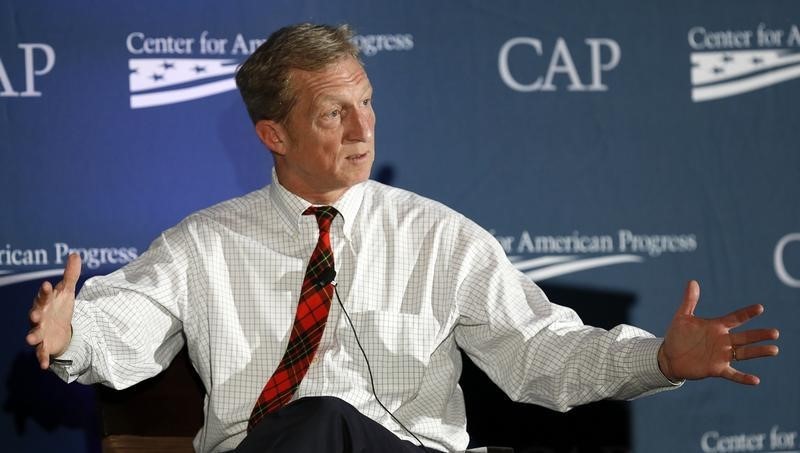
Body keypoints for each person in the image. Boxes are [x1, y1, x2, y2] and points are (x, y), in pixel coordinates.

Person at [26, 23, 779, 453]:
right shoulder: (205, 245)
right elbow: (125, 324)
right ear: (271, 133)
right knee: (315, 418)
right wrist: (72, 331)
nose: (364, 128)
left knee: (329, 420)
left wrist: (656, 357)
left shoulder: (436, 235)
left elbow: (538, 349)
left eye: (366, 102)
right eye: (333, 114)